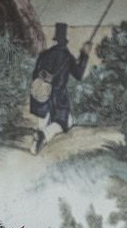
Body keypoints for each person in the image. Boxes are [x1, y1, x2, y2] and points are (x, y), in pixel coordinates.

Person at [29, 22, 92, 155]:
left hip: (41, 93)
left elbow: (34, 75)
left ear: (56, 40)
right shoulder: (67, 57)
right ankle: (43, 135)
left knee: (45, 116)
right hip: (58, 97)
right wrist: (84, 54)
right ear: (65, 41)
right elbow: (79, 75)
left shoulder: (44, 54)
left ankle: (38, 136)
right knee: (62, 123)